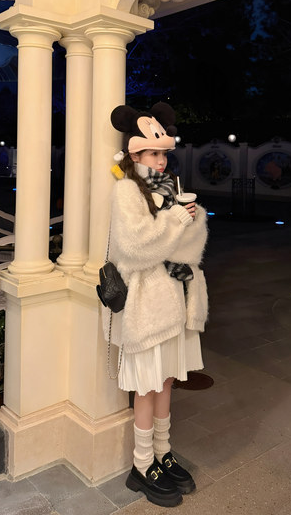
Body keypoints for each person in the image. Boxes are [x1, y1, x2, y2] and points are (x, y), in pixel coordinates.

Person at [103, 102, 209, 508]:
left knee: (166, 380)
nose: (161, 160)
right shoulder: (126, 190)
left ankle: (163, 454)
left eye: (164, 153)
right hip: (146, 306)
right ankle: (142, 464)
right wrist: (176, 222)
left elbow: (191, 251)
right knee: (147, 384)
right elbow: (135, 247)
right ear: (135, 154)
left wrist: (191, 221)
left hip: (174, 301)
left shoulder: (171, 188)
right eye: (152, 153)